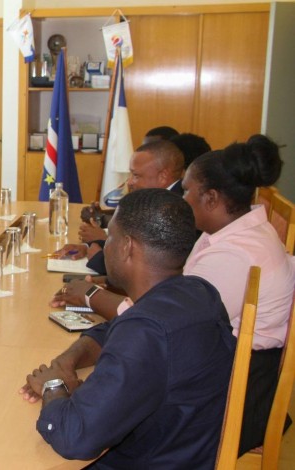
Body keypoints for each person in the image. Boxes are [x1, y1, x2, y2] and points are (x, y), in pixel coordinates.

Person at [20, 189, 235, 468]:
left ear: (126, 247)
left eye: (109, 237)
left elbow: (74, 437)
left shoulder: (146, 331)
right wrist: (67, 361)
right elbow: (115, 329)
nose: (106, 246)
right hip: (188, 451)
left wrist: (52, 386)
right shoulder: (198, 291)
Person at [182, 134, 295, 454]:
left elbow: (178, 326)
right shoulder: (238, 231)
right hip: (234, 374)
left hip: (235, 398)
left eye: (187, 190)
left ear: (212, 198)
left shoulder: (234, 255)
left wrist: (96, 298)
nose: (182, 197)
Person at [63, 140, 186, 273]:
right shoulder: (155, 198)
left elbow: (148, 270)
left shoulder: (177, 209)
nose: (130, 182)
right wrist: (88, 248)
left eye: (136, 175)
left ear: (163, 176)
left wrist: (100, 252)